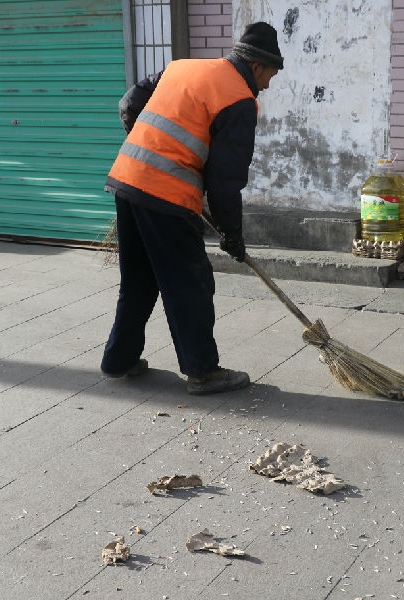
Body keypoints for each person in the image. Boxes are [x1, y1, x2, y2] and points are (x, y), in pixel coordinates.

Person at [101, 22, 283, 395]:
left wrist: (151, 152)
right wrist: (232, 233)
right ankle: (203, 371)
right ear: (257, 66)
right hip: (165, 196)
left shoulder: (182, 67)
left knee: (138, 278)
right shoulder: (239, 100)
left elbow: (129, 104)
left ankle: (118, 360)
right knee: (191, 283)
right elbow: (225, 180)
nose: (267, 85)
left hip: (126, 180)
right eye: (270, 76)